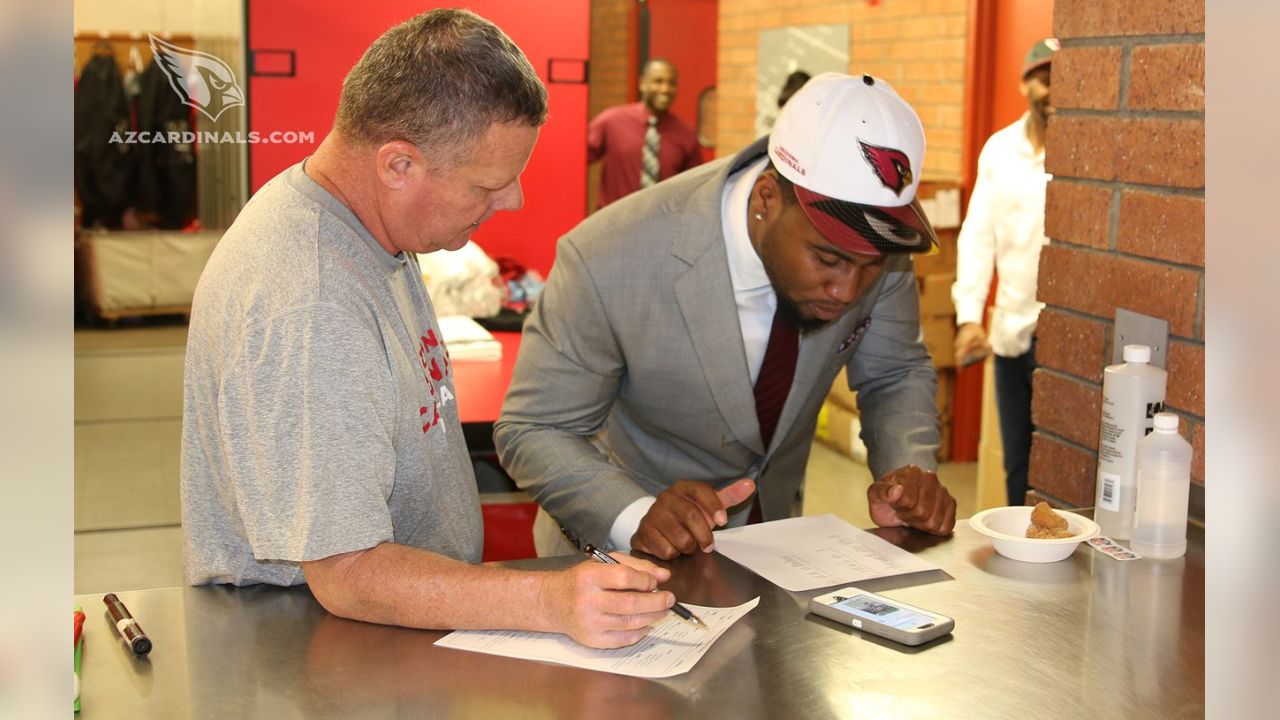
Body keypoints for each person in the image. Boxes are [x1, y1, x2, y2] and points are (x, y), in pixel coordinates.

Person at [180, 9, 676, 650]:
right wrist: (549, 598)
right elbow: (348, 572)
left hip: (381, 633)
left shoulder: (367, 224)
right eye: (486, 185)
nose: (513, 201)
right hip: (313, 651)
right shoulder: (312, 296)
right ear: (398, 165)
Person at [496, 72, 958, 560]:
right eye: (826, 259)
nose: (848, 289)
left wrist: (909, 472)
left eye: (870, 267)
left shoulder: (872, 249)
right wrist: (635, 513)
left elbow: (894, 371)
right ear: (766, 199)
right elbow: (534, 428)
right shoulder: (609, 256)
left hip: (774, 551)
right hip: (616, 558)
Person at [951, 38, 1059, 507]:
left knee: (1061, 461)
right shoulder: (999, 151)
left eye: (1061, 77)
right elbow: (978, 235)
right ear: (1024, 83)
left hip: (1065, 337)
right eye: (1043, 77)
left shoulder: (1086, 153)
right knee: (1019, 460)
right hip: (1013, 330)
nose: (1052, 88)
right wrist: (969, 315)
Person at [588, 58, 703, 209]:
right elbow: (575, 159)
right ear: (642, 83)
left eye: (671, 83)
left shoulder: (686, 134)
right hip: (613, 221)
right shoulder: (611, 121)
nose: (665, 89)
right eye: (658, 81)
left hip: (661, 224)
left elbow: (696, 186)